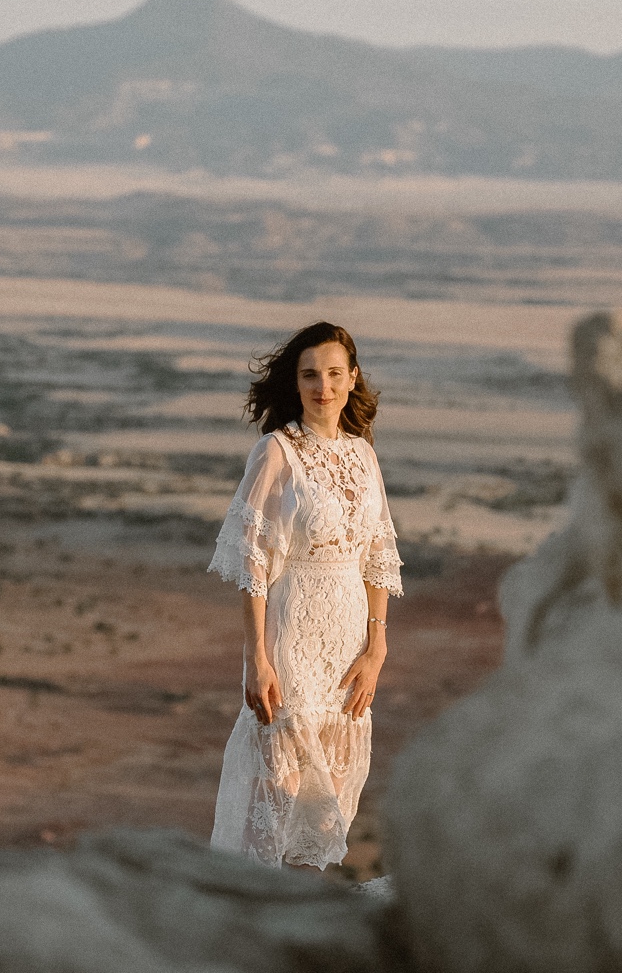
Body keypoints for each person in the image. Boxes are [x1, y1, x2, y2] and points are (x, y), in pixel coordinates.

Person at [208, 321, 403, 869]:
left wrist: (377, 646)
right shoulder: (275, 453)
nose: (324, 386)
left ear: (353, 378)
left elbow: (379, 557)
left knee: (326, 806)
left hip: (349, 647)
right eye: (310, 375)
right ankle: (255, 913)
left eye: (334, 373)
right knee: (281, 788)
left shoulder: (364, 456)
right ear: (295, 383)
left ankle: (297, 917)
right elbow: (252, 564)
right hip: (292, 639)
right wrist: (257, 659)